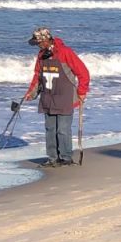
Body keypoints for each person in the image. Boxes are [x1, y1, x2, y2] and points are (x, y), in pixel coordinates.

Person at [24, 27, 90, 167]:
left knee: (63, 130)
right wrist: (31, 93)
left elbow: (83, 73)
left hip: (65, 97)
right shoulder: (41, 55)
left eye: (40, 42)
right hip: (48, 97)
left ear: (47, 40)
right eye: (37, 43)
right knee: (50, 129)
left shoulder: (66, 52)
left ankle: (66, 158)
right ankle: (52, 158)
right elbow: (37, 76)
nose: (38, 46)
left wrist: (82, 91)